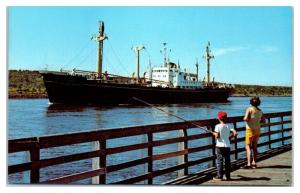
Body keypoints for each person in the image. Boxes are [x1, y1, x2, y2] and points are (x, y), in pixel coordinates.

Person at [213, 111, 237, 181]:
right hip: (227, 145)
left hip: (219, 146)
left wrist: (214, 134)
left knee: (219, 161)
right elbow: (235, 133)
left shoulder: (217, 126)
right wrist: (229, 137)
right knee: (227, 161)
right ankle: (228, 176)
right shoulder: (229, 126)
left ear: (218, 118)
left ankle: (219, 176)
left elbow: (217, 136)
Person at [243, 96, 264, 169]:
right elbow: (264, 121)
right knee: (254, 146)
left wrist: (245, 118)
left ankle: (249, 163)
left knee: (248, 146)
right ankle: (254, 162)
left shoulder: (249, 109)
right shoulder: (260, 110)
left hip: (250, 130)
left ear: (251, 102)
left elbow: (246, 118)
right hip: (257, 130)